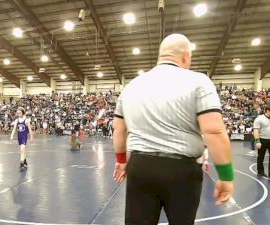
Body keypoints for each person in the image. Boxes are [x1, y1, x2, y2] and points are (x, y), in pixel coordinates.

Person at [113, 33, 234, 225]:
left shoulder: (131, 86)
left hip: (140, 167)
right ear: (186, 56)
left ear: (161, 55)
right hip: (181, 170)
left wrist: (121, 161)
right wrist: (226, 176)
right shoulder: (199, 81)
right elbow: (214, 132)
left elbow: (119, 129)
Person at [253, 105, 270, 177]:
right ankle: (260, 172)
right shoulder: (259, 119)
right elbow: (256, 130)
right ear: (267, 110)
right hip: (262, 140)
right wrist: (257, 141)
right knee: (261, 157)